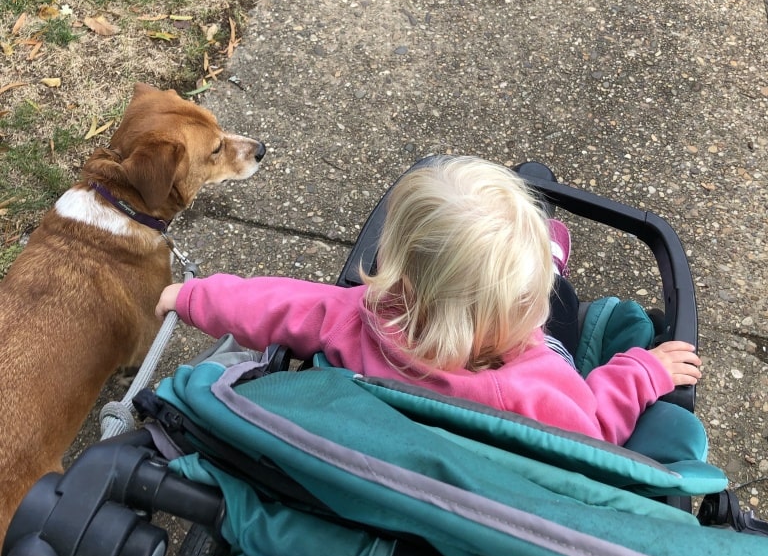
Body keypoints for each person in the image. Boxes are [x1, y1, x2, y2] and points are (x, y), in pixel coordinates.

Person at [155, 156, 701, 446]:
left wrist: (192, 294)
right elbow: (596, 429)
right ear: (508, 313)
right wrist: (643, 372)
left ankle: (539, 262)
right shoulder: (532, 386)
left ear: (399, 272)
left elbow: (270, 303)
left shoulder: (354, 320)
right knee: (560, 305)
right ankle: (549, 268)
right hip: (529, 381)